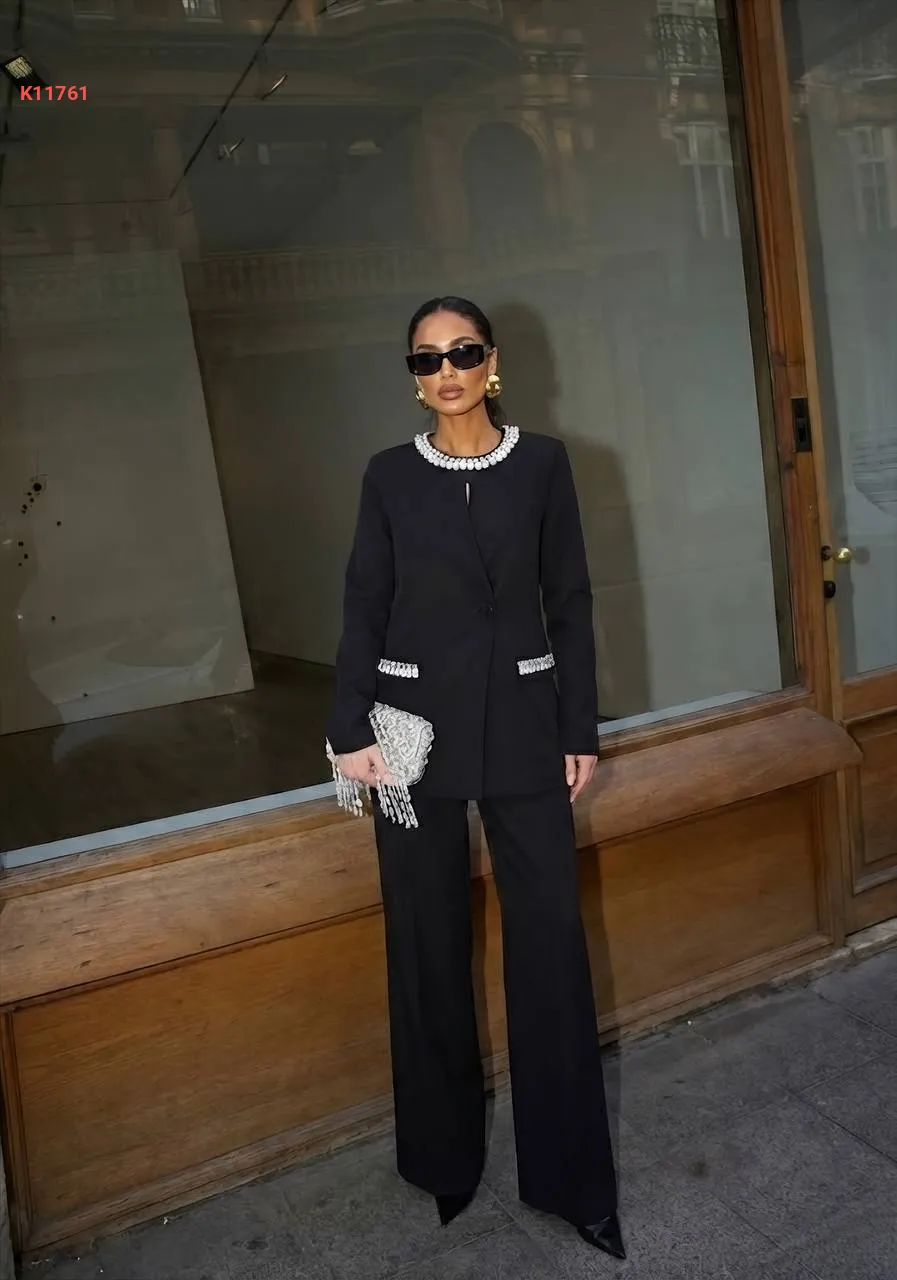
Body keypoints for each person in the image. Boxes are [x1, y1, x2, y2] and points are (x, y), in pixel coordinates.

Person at [326, 296, 624, 1260]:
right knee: (424, 943)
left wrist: (578, 726)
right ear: (413, 378)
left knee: (551, 949)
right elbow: (364, 601)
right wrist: (347, 730)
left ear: (491, 362)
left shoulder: (543, 464)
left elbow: (569, 598)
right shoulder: (388, 476)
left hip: (527, 731)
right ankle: (442, 1161)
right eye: (426, 359)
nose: (445, 371)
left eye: (461, 353)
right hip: (408, 735)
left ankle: (573, 1182)